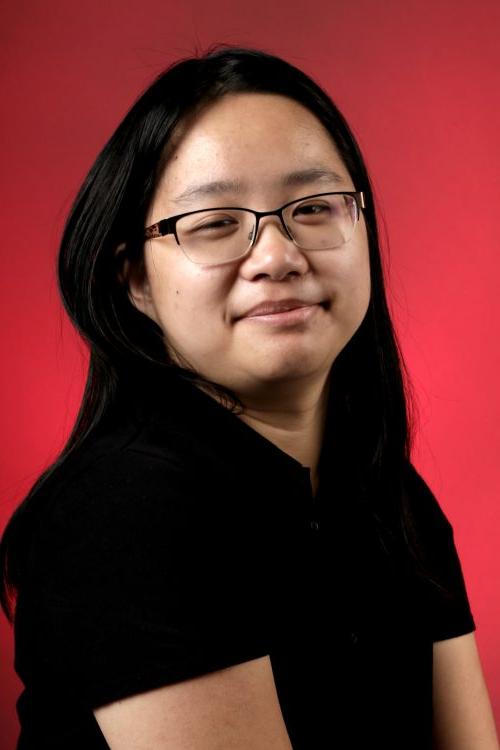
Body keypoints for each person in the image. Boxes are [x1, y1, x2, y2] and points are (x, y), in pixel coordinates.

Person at [0, 44, 498, 750]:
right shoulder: (124, 511)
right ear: (135, 281)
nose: (277, 256)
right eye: (214, 223)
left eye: (316, 207)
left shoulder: (391, 495)